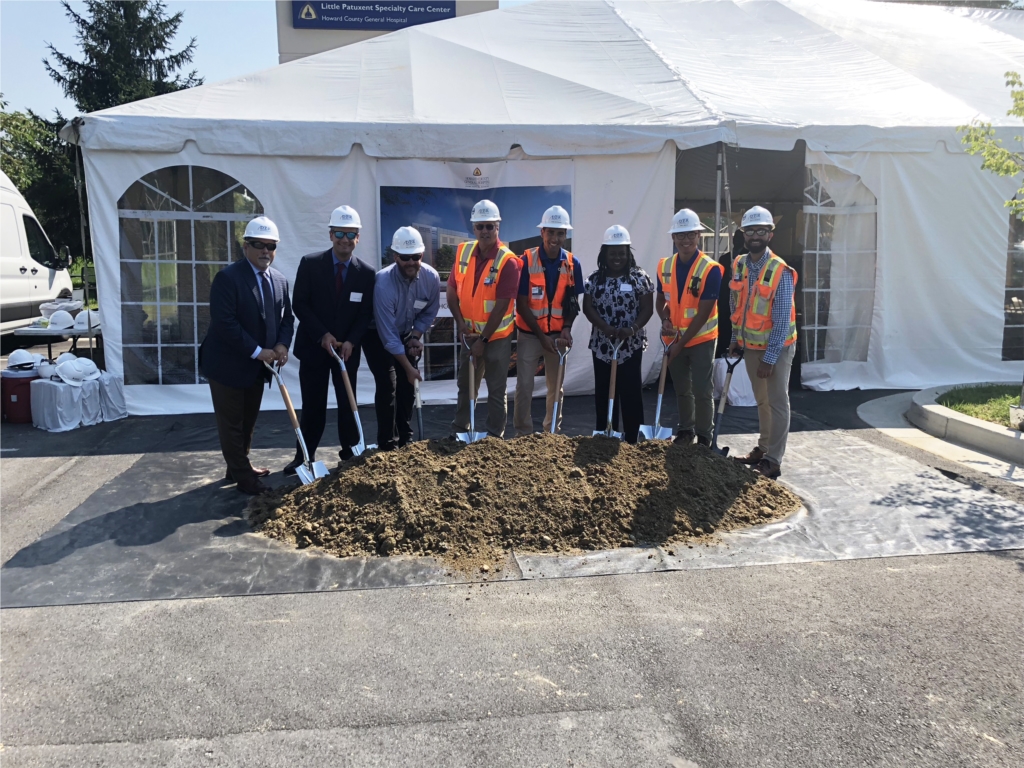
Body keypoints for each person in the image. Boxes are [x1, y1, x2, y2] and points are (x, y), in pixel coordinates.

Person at [199, 216, 294, 495]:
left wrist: (282, 346)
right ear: (245, 246)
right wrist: (258, 351)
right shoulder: (228, 279)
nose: (266, 251)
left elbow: (287, 319)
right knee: (232, 424)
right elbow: (225, 324)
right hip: (227, 365)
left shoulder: (279, 280)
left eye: (271, 246)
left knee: (248, 421)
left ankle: (237, 465)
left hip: (257, 367)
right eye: (259, 245)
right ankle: (243, 477)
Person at [288, 205, 376, 471]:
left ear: (358, 237)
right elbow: (299, 304)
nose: (344, 239)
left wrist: (350, 340)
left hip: (346, 351)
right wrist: (323, 334)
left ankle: (349, 452)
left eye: (350, 234)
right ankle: (304, 455)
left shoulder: (367, 274)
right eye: (339, 232)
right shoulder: (311, 264)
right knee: (312, 405)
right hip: (315, 348)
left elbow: (365, 314)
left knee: (347, 403)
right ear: (330, 235)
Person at [729, 205, 798, 479]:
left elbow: (781, 320)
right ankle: (763, 447)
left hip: (776, 349)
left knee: (778, 402)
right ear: (743, 234)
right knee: (761, 401)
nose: (755, 235)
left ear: (770, 235)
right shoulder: (739, 264)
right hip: (750, 346)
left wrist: (770, 359)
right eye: (750, 231)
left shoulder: (780, 270)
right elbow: (736, 304)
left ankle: (773, 460)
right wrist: (735, 338)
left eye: (761, 230)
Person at [447, 199, 522, 439]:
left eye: (490, 226)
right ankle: (460, 430)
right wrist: (461, 325)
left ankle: (493, 436)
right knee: (465, 385)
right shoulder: (463, 251)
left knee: (496, 389)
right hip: (469, 334)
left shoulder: (508, 261)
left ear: (498, 226)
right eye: (480, 226)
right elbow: (451, 291)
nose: (485, 231)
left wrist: (483, 340)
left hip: (496, 337)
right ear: (474, 227)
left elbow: (502, 306)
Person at [365, 227, 440, 448]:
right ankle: (387, 442)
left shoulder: (431, 277)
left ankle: (405, 436)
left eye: (415, 257)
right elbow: (388, 337)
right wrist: (409, 368)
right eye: (405, 257)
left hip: (406, 332)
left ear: (422, 255)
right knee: (389, 385)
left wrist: (416, 335)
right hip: (377, 335)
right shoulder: (383, 283)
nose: (410, 262)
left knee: (408, 388)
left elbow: (429, 310)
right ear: (395, 256)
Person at [513, 205, 584, 436]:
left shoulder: (573, 264)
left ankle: (551, 433)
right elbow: (522, 304)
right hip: (530, 334)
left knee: (556, 388)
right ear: (542, 232)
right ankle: (523, 434)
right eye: (550, 232)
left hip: (557, 337)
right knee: (524, 386)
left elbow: (573, 303)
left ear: (566, 235)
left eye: (560, 233)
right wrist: (541, 336)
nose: (555, 238)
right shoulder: (526, 260)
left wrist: (566, 328)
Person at [656, 209, 723, 446]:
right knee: (683, 388)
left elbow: (704, 313)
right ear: (673, 237)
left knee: (703, 389)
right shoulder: (664, 266)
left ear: (698, 236)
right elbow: (661, 300)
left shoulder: (710, 269)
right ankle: (686, 430)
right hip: (675, 339)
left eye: (690, 235)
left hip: (701, 339)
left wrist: (679, 345)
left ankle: (704, 435)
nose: (685, 240)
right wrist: (665, 319)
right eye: (680, 235)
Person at [582, 225, 654, 444]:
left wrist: (631, 329)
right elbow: (588, 307)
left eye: (621, 252)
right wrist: (605, 328)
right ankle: (606, 435)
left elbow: (647, 309)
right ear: (604, 253)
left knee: (631, 393)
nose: (617, 257)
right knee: (604, 393)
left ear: (628, 253)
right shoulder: (594, 280)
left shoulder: (639, 277)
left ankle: (633, 438)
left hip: (630, 345)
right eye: (612, 252)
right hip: (603, 346)